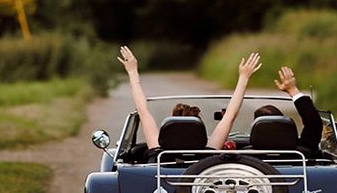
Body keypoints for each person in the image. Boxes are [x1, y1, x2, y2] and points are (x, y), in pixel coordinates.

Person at [117, 45, 261, 151]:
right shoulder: (209, 150)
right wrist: (243, 77)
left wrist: (132, 72)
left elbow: (143, 111)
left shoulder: (157, 148)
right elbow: (230, 115)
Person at [253, 65, 323, 157]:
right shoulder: (302, 152)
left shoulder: (243, 156)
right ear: (284, 126)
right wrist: (292, 90)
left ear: (255, 129)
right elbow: (314, 123)